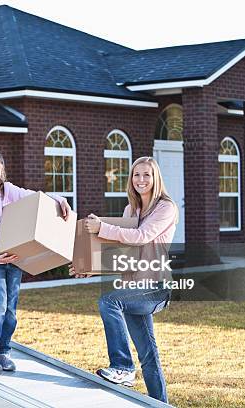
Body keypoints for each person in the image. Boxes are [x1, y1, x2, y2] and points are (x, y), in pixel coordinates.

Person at [71, 156, 177, 403]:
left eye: (146, 175)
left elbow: (141, 236)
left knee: (109, 302)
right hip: (133, 287)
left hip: (156, 287)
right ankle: (160, 403)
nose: (141, 179)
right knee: (149, 355)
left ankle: (122, 366)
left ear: (156, 178)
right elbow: (123, 249)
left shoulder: (166, 208)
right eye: (136, 175)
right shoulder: (131, 210)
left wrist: (101, 228)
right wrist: (91, 268)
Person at [0, 149, 71, 373]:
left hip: (15, 256)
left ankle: (3, 350)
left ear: (1, 172)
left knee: (11, 311)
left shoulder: (7, 190)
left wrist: (59, 199)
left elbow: (33, 196)